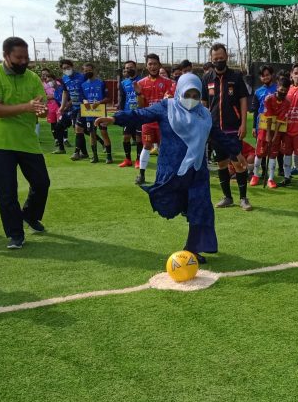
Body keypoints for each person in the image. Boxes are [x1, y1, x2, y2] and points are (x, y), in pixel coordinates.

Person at [95, 73, 241, 262]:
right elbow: (141, 115)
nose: (191, 99)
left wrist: (236, 152)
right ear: (179, 91)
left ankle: (193, 249)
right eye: (187, 94)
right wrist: (116, 119)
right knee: (169, 204)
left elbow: (219, 136)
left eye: (196, 95)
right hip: (173, 172)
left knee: (202, 208)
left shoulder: (204, 114)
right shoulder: (167, 107)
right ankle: (183, 207)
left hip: (197, 172)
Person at [0, 36, 50, 250]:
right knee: (7, 191)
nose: (23, 61)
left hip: (27, 140)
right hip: (1, 142)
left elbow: (42, 109)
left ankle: (29, 214)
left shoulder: (32, 77)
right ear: (6, 55)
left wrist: (41, 110)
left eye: (26, 57)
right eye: (18, 57)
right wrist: (27, 107)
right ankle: (15, 234)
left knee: (42, 183)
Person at [202, 43, 252, 210]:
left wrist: (243, 124)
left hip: (233, 129)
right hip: (215, 130)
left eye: (221, 58)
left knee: (238, 164)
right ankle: (227, 197)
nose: (219, 61)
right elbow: (203, 103)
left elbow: (243, 100)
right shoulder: (207, 78)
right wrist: (204, 125)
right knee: (222, 164)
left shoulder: (236, 76)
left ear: (227, 57)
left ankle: (243, 198)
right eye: (215, 58)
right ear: (211, 59)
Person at [135, 53, 175, 185]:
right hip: (148, 121)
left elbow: (171, 102)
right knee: (146, 146)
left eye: (155, 64)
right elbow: (141, 106)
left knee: (164, 148)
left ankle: (165, 175)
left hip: (164, 122)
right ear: (146, 66)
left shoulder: (168, 83)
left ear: (159, 65)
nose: (153, 66)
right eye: (150, 64)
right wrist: (138, 93)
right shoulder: (141, 83)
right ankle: (141, 174)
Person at [251, 73, 291, 189]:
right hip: (265, 129)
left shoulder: (287, 103)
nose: (283, 92)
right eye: (281, 89)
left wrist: (275, 135)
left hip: (276, 131)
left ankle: (271, 179)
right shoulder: (269, 98)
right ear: (277, 87)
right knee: (259, 153)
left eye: (285, 91)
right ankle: (255, 175)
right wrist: (268, 134)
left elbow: (280, 120)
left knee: (273, 155)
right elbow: (268, 117)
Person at [81, 62, 112, 164]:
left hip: (100, 112)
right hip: (89, 113)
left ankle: (109, 156)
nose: (88, 72)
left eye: (90, 70)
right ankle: (95, 156)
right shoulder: (83, 85)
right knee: (92, 133)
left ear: (94, 70)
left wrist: (99, 102)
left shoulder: (101, 83)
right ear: (83, 72)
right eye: (86, 71)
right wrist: (84, 101)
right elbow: (82, 98)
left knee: (103, 132)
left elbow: (108, 98)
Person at [59, 58, 88, 160]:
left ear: (72, 66)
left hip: (83, 106)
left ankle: (76, 152)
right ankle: (84, 153)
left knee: (78, 128)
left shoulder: (82, 77)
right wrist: (62, 106)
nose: (66, 69)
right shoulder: (64, 78)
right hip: (73, 108)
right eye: (64, 68)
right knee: (78, 131)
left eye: (68, 67)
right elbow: (65, 92)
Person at [117, 60, 142, 167]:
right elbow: (122, 99)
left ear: (135, 68)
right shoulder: (123, 83)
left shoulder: (142, 81)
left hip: (140, 114)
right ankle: (127, 159)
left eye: (131, 67)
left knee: (139, 138)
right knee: (126, 137)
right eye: (127, 68)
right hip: (128, 114)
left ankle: (138, 160)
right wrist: (121, 112)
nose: (129, 69)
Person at [41, 68, 63, 153]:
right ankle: (57, 141)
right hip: (50, 106)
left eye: (46, 74)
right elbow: (43, 96)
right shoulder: (42, 85)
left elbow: (61, 95)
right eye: (43, 74)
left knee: (60, 123)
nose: (44, 76)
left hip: (59, 106)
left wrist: (51, 96)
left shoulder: (58, 84)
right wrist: (49, 97)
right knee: (53, 123)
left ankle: (64, 140)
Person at [251, 65, 276, 137]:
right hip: (261, 126)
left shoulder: (278, 89)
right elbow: (256, 111)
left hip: (274, 125)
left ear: (272, 75)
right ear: (260, 77)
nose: (265, 77)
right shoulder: (257, 92)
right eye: (263, 76)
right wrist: (254, 127)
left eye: (267, 75)